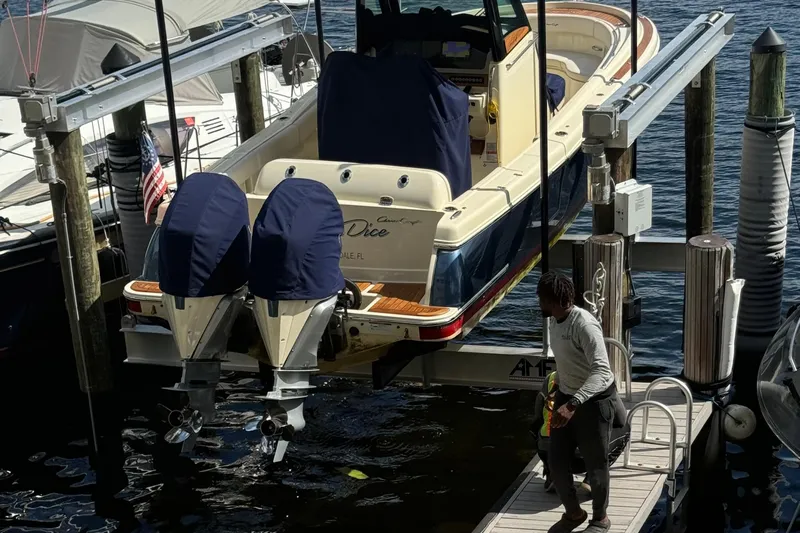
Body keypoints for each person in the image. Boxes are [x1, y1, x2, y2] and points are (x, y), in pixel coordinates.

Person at [537, 271, 619, 533]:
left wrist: (573, 403)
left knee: (596, 464)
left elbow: (602, 371)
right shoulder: (554, 319)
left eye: (543, 299)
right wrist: (559, 390)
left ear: (556, 301)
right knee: (556, 461)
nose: (539, 303)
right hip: (566, 396)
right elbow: (565, 359)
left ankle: (600, 519)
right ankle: (573, 514)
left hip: (593, 402)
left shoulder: (583, 324)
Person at [530, 371, 631, 495]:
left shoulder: (551, 378)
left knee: (540, 428)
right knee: (625, 428)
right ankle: (592, 479)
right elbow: (620, 419)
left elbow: (537, 418)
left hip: (550, 453)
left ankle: (552, 474)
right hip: (583, 458)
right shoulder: (602, 378)